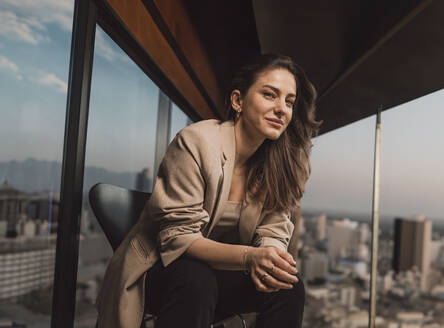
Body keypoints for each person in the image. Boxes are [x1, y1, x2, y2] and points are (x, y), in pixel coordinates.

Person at [96, 54, 321, 328]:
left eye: (289, 101)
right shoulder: (195, 142)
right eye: (270, 95)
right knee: (196, 278)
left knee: (289, 287)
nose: (281, 109)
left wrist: (270, 261)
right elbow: (178, 239)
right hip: (160, 268)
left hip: (217, 275)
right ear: (238, 101)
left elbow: (274, 229)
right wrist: (251, 257)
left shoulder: (281, 163)